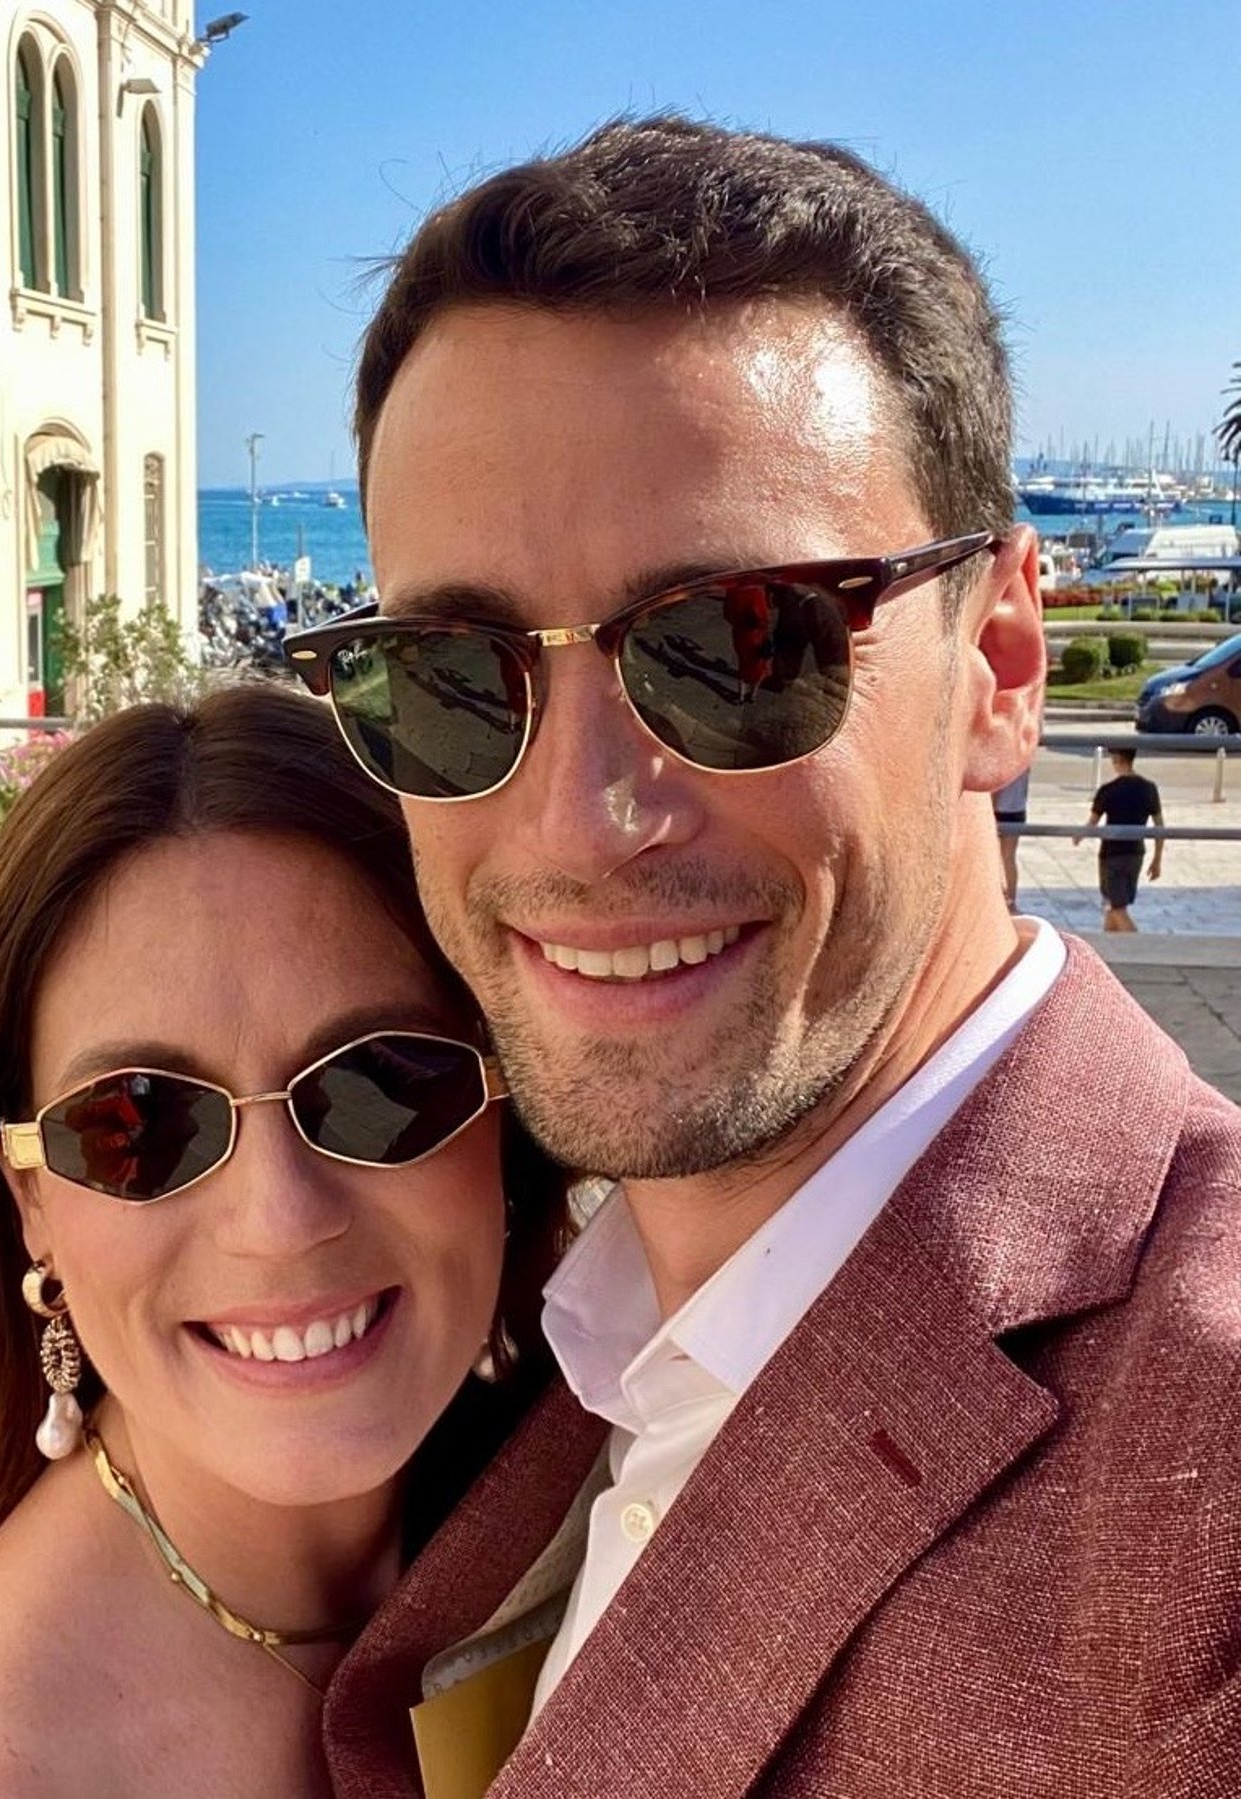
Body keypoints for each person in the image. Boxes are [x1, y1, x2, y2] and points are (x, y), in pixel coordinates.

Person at [289, 116, 1241, 1795]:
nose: (580, 820)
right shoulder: (548, 1330)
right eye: (451, 669)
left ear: (1001, 663)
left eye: (738, 645)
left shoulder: (1201, 1457)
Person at [0, 685, 563, 1797]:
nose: (280, 1218)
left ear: (501, 1108)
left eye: (381, 1084)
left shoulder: (598, 1480)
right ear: (25, 1193)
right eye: (136, 1123)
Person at [1075, 746, 1162, 930]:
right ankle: (1110, 947)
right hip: (1135, 853)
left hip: (1112, 854)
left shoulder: (1108, 790)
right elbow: (1159, 826)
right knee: (1111, 905)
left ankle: (1143, 947)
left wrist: (1079, 836)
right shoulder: (1149, 788)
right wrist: (1157, 859)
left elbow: (1093, 822)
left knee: (1116, 908)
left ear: (1117, 760)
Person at [992, 763, 1031, 907]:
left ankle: (1000, 894)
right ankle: (1012, 898)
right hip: (1018, 809)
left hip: (1000, 810)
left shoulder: (1003, 761)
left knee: (995, 856)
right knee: (1009, 857)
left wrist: (990, 810)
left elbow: (996, 788)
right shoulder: (1024, 762)